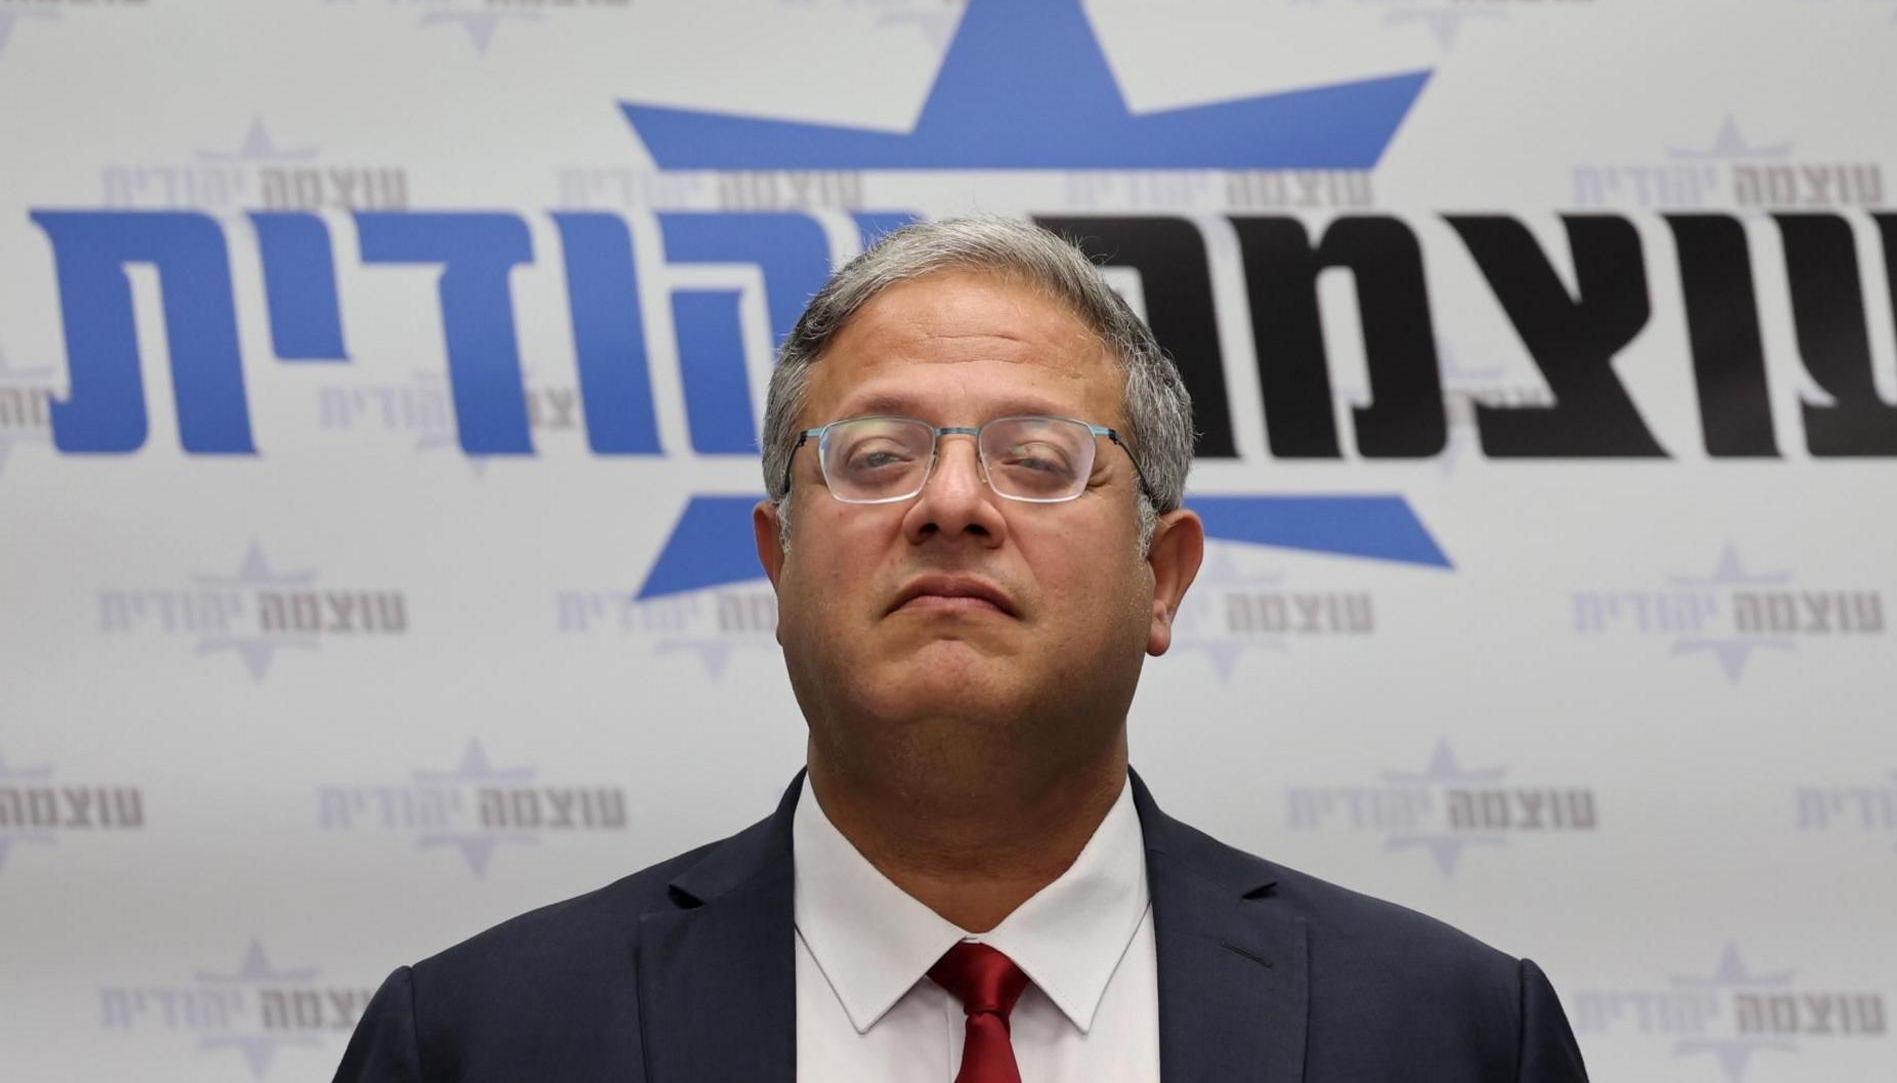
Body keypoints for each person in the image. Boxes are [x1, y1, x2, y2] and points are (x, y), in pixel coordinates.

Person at [334, 216, 1589, 1082]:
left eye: (1036, 460)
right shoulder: (478, 1041)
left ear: (1160, 579)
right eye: (876, 455)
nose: (950, 504)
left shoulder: (1452, 1036)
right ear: (778, 564)